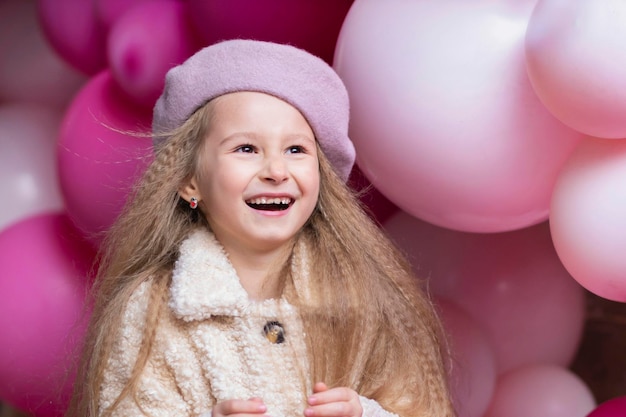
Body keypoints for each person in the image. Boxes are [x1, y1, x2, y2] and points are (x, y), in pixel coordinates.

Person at [67, 39, 456, 417]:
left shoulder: (361, 294)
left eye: (296, 150)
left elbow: (416, 406)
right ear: (190, 181)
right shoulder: (152, 310)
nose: (275, 171)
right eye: (247, 149)